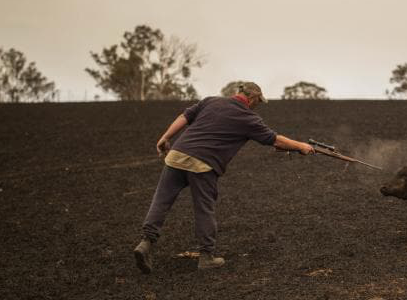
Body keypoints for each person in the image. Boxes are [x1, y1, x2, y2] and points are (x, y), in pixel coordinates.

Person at [133, 82, 314, 273]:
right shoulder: (248, 118)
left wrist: (165, 137)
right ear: (252, 99)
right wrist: (301, 146)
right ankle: (206, 257)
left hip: (176, 155)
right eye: (258, 102)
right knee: (204, 209)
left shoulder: (210, 101)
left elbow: (184, 116)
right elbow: (275, 139)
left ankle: (145, 243)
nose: (256, 106)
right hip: (203, 165)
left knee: (161, 201)